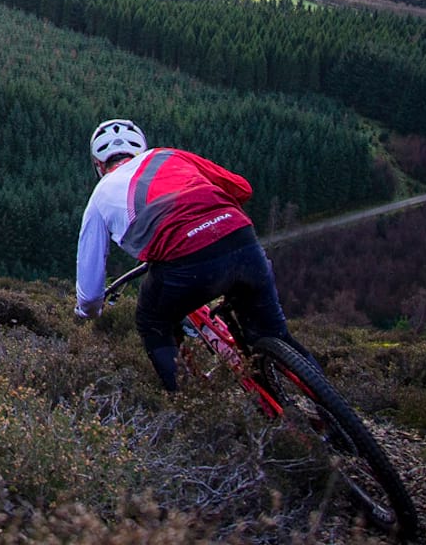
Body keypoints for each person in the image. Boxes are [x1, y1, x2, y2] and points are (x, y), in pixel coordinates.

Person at [73, 117, 299, 392]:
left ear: (98, 165)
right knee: (277, 337)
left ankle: (190, 403)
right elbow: (243, 189)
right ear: (142, 150)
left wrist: (88, 312)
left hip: (186, 261)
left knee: (152, 322)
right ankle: (327, 418)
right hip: (240, 237)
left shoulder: (99, 197)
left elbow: (89, 293)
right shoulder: (170, 155)